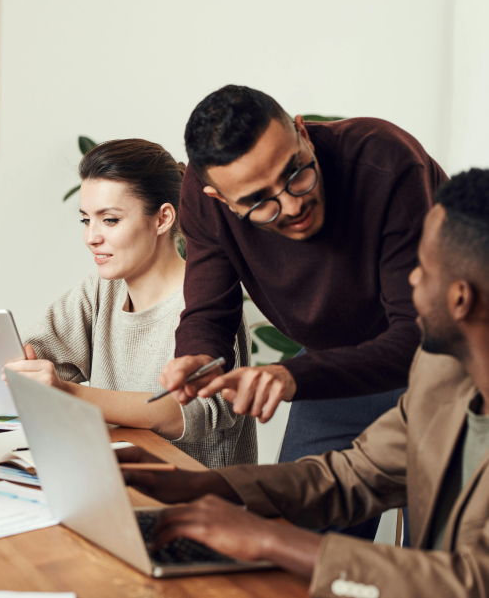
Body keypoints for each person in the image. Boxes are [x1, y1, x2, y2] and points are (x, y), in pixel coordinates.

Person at [119, 169, 489, 596]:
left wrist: (270, 539)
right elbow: (354, 474)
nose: (411, 279)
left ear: (461, 298)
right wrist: (208, 484)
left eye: (423, 268)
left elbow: (472, 582)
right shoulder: (441, 375)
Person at [159, 85, 446, 538]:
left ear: (302, 133)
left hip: (445, 373)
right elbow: (208, 311)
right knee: (297, 545)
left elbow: (419, 334)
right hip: (334, 375)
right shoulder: (201, 197)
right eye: (258, 201)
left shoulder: (386, 161)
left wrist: (292, 377)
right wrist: (197, 355)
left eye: (296, 173)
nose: (293, 205)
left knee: (435, 563)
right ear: (220, 199)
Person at [5, 139, 256, 469]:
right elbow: (29, 361)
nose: (91, 237)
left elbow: (191, 413)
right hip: (115, 487)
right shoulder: (99, 292)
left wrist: (70, 394)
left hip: (201, 505)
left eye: (109, 220)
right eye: (86, 220)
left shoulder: (211, 303)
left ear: (163, 219)